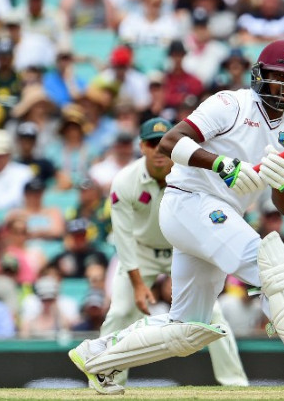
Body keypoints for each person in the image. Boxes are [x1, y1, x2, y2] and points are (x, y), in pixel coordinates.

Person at [69, 40, 284, 394]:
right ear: (260, 75)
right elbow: (170, 143)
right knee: (273, 268)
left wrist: (281, 181)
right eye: (279, 77)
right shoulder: (230, 104)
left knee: (189, 327)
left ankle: (97, 357)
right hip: (189, 201)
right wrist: (223, 165)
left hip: (217, 217)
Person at [93, 117, 247, 391]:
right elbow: (123, 238)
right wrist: (139, 284)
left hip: (184, 249)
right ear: (141, 147)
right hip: (141, 253)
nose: (159, 150)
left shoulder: (192, 175)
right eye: (152, 144)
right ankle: (104, 379)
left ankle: (235, 385)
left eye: (164, 144)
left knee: (213, 315)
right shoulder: (125, 181)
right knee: (120, 312)